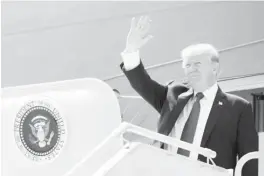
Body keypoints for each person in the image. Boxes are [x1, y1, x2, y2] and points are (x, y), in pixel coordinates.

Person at [119, 16, 258, 176]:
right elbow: (142, 83)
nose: (191, 69)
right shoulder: (173, 95)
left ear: (214, 67)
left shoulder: (238, 107)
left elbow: (249, 159)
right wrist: (131, 50)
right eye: (187, 65)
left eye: (197, 64)